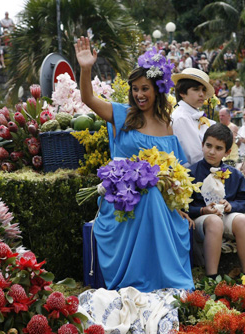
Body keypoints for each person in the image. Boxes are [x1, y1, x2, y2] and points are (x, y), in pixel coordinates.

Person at [74, 37, 194, 292]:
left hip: (158, 203)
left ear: (158, 90)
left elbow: (176, 174)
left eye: (145, 88)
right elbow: (87, 98)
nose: (139, 94)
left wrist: (179, 206)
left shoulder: (168, 126)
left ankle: (164, 281)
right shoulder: (122, 115)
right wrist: (86, 69)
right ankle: (143, 280)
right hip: (120, 199)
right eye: (135, 89)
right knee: (149, 194)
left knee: (153, 195)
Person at [188, 124, 245, 276]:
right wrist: (202, 210)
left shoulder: (234, 174)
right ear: (202, 145)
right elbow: (183, 206)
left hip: (225, 215)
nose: (212, 152)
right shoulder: (190, 173)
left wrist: (231, 206)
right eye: (208, 146)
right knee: (214, 221)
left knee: (243, 220)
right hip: (201, 219)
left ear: (227, 152)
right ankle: (212, 276)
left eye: (218, 148)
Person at [171, 68, 215, 167]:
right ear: (182, 93)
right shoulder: (181, 118)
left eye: (203, 90)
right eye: (196, 89)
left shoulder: (195, 114)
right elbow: (195, 157)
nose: (202, 94)